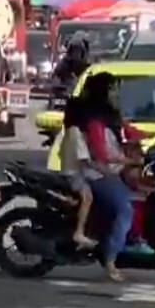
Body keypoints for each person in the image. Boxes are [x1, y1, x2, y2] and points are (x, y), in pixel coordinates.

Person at [79, 73, 145, 283]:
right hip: (97, 173)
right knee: (125, 208)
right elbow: (102, 153)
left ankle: (131, 239)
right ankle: (110, 259)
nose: (116, 94)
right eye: (112, 89)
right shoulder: (94, 119)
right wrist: (128, 160)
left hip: (111, 170)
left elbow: (129, 131)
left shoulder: (109, 115)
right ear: (103, 92)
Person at [59, 97, 96, 251]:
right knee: (88, 197)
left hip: (70, 170)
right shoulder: (75, 132)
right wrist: (99, 168)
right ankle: (79, 232)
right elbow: (84, 159)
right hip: (73, 173)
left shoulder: (69, 131)